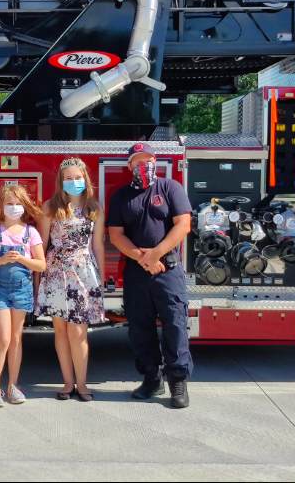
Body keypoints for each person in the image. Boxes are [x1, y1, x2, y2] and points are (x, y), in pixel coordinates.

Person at [107, 142, 194, 409]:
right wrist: (142, 258)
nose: (143, 165)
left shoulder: (170, 188)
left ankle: (177, 381)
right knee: (140, 327)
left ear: (155, 161)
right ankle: (151, 379)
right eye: (137, 161)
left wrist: (156, 254)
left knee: (175, 324)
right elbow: (115, 235)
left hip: (168, 269)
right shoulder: (121, 196)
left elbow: (183, 225)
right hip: (136, 270)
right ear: (129, 166)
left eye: (148, 159)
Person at [36, 158, 105, 402]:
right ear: (61, 181)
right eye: (68, 178)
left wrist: (100, 280)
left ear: (85, 179)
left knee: (78, 332)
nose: (74, 182)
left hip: (84, 273)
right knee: (61, 331)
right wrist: (37, 281)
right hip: (56, 273)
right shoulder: (49, 207)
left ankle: (82, 384)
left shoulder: (94, 208)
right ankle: (67, 382)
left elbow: (98, 245)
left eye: (78, 177)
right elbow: (41, 245)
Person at [0, 185, 46, 408]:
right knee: (3, 339)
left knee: (16, 338)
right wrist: (1, 260)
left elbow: (41, 265)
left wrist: (22, 259)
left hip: (22, 290)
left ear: (24, 206)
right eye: (9, 203)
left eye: (18, 203)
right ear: (1, 206)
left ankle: (13, 386)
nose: (14, 207)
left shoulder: (31, 232)